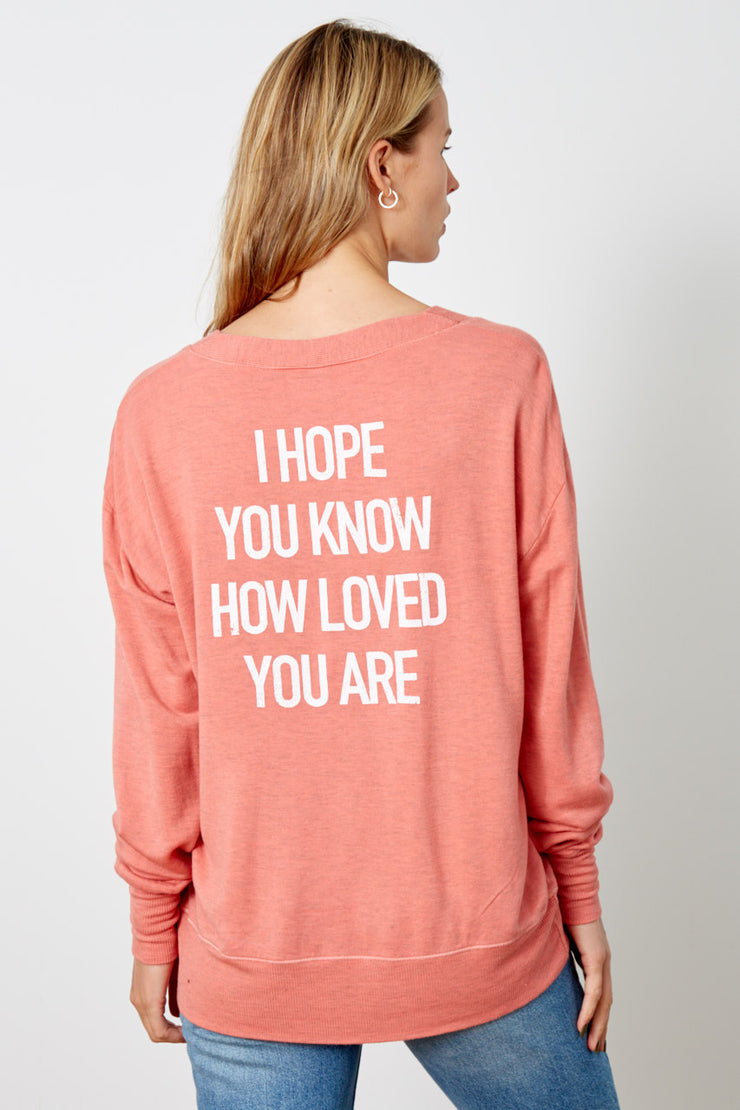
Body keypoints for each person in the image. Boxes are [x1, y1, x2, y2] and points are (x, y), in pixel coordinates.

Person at [102, 18, 621, 1110]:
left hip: (251, 950)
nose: (452, 179)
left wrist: (154, 923)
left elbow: (161, 706)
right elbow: (552, 674)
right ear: (382, 164)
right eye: (441, 147)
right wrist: (577, 887)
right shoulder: (497, 377)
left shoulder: (164, 410)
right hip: (477, 932)